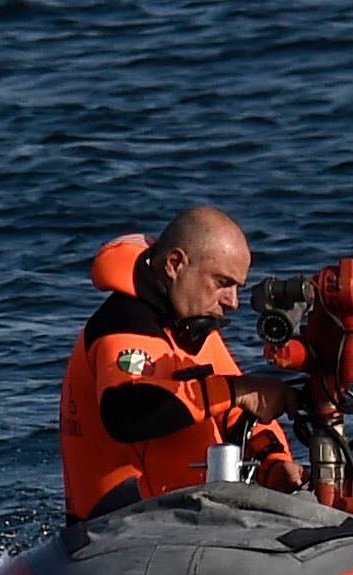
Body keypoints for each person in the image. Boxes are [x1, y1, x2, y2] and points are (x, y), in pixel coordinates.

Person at [60, 206, 300, 521]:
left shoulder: (192, 325)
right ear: (175, 264)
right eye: (222, 282)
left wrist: (272, 462)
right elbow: (129, 414)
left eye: (237, 287)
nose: (233, 302)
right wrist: (236, 390)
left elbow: (239, 409)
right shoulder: (123, 322)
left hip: (187, 518)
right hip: (112, 528)